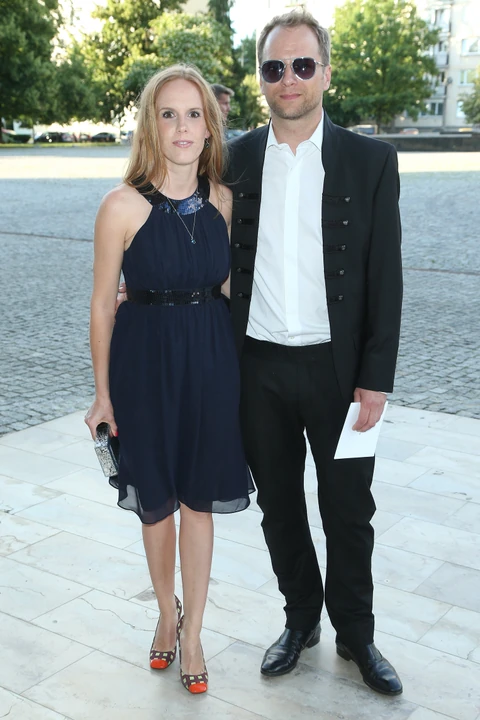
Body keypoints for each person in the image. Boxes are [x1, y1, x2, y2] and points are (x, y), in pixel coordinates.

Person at [225, 10, 403, 695]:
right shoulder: (233, 160)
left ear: (326, 73)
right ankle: (300, 620)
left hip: (340, 372)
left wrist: (375, 378)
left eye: (303, 65)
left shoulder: (370, 161)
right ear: (261, 78)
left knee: (349, 510)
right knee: (278, 506)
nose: (289, 79)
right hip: (258, 368)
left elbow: (386, 277)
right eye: (275, 67)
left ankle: (356, 632)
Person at [85, 64, 253, 696]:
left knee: (198, 502)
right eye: (168, 114)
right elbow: (102, 305)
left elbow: (232, 288)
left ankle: (195, 633)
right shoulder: (120, 206)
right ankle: (165, 613)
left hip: (210, 363)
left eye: (194, 114)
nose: (182, 127)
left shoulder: (224, 202)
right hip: (143, 367)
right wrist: (103, 395)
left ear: (210, 127)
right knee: (155, 504)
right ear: (150, 126)